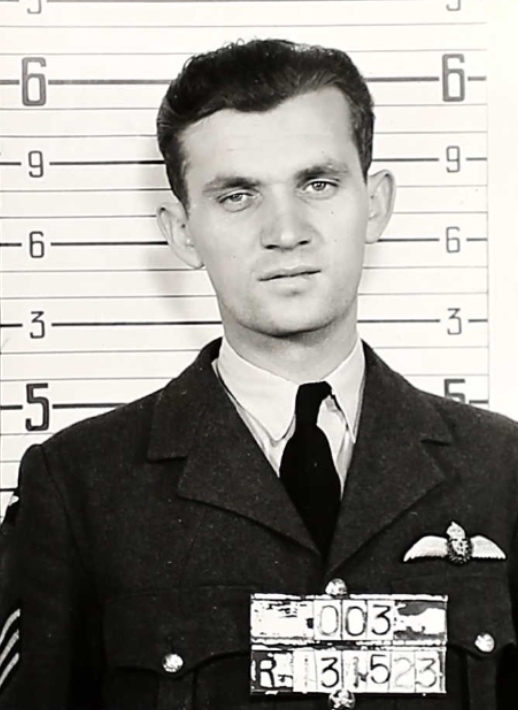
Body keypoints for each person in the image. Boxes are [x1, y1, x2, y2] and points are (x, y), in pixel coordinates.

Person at [0, 38, 517, 710]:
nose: (286, 231)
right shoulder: (79, 487)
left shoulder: (502, 471)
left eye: (318, 184)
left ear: (376, 204)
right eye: (238, 196)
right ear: (182, 231)